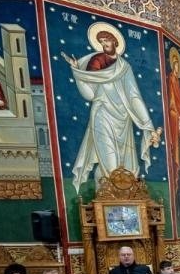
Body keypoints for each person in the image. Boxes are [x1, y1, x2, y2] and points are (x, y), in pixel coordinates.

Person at [63, 25, 160, 191]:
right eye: (101, 41)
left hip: (123, 119)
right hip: (102, 116)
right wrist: (77, 73)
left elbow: (134, 97)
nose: (104, 43)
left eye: (106, 40)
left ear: (115, 41)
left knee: (127, 167)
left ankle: (127, 206)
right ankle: (106, 202)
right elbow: (89, 94)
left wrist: (148, 125)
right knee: (109, 163)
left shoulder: (124, 68)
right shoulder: (96, 62)